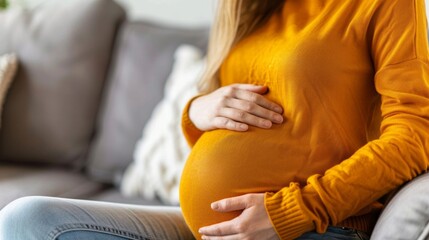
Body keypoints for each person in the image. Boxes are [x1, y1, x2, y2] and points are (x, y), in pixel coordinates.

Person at [0, 0, 428, 240]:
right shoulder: (250, 12)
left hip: (314, 227)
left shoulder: (382, 3)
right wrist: (196, 113)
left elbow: (415, 136)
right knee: (26, 219)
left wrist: (294, 211)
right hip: (217, 228)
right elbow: (241, 133)